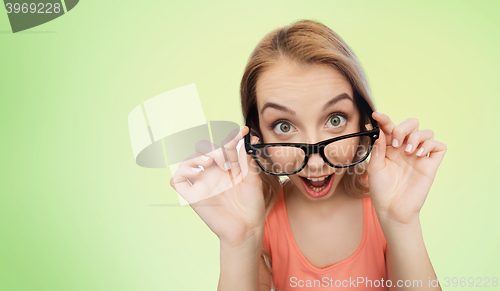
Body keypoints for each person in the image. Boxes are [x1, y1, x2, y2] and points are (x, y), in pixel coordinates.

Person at [170, 19, 446, 291]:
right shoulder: (259, 219)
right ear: (257, 135)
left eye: (335, 120)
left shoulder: (383, 203)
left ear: (364, 120)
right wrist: (240, 240)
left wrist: (401, 221)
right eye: (284, 126)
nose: (315, 162)